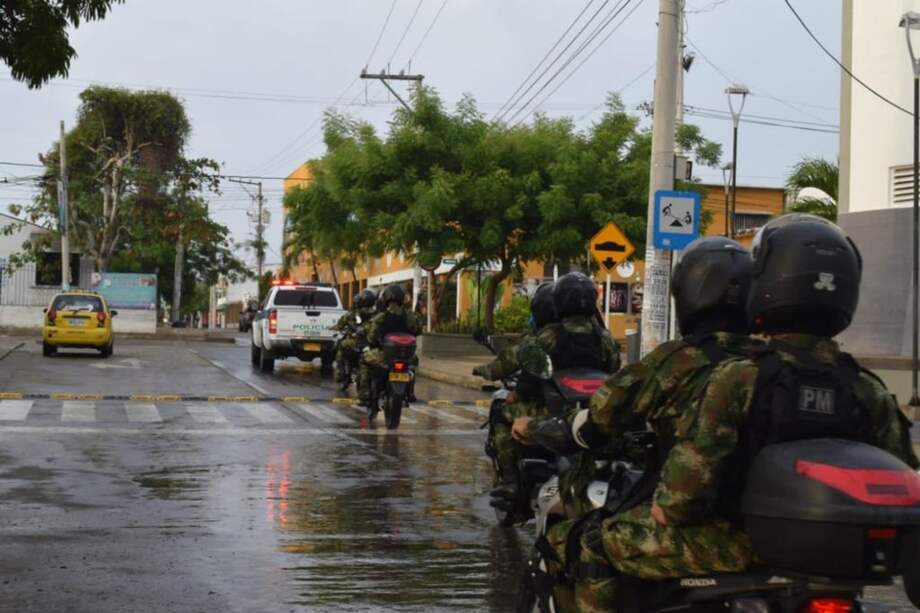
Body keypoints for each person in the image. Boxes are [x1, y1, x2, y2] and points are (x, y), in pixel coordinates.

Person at [553, 214, 920, 612]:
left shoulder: (740, 377)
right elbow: (903, 485)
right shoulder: (868, 388)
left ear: (765, 284)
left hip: (733, 544)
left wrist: (665, 507)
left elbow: (680, 498)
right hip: (838, 562)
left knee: (594, 543)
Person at [472, 281, 559, 512]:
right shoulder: (603, 338)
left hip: (546, 409)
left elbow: (510, 367)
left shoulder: (540, 339)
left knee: (500, 412)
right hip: (583, 411)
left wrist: (483, 371)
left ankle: (510, 478)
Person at [360, 284, 422, 408]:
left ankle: (365, 393)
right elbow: (418, 330)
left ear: (385, 299)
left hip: (385, 356)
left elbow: (371, 337)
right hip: (406, 356)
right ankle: (410, 393)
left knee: (364, 360)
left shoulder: (381, 317)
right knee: (412, 367)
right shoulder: (410, 316)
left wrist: (372, 343)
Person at [333, 289, 377, 392]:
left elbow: (340, 324)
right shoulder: (376, 314)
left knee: (341, 346)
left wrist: (337, 328)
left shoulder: (353, 314)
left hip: (357, 342)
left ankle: (340, 371)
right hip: (371, 343)